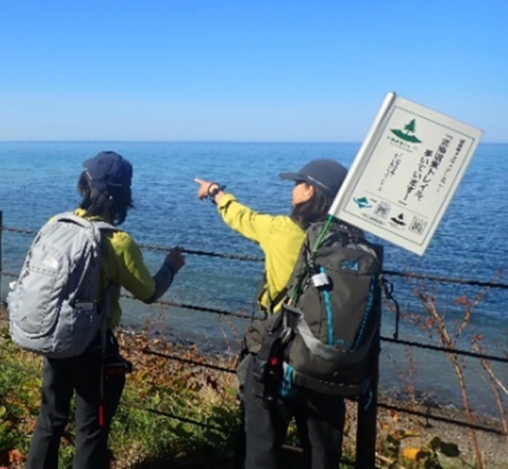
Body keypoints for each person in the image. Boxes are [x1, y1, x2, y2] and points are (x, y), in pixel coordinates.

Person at [26, 150, 185, 469]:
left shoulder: (57, 224)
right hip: (92, 348)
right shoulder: (117, 242)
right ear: (123, 195)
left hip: (54, 336)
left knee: (50, 420)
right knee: (90, 432)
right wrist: (171, 266)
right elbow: (148, 292)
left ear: (84, 186)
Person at [195, 158, 349, 469]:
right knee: (322, 456)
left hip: (282, 354)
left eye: (298, 184)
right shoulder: (347, 241)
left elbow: (243, 217)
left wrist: (216, 192)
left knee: (262, 450)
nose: (293, 190)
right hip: (330, 361)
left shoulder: (282, 230)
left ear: (310, 192)